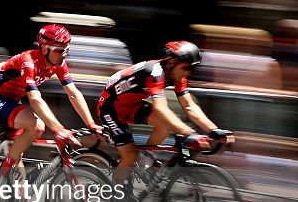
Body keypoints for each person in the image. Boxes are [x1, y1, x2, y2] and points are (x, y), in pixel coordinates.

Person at [96, 40, 235, 187]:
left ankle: (144, 159)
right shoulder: (154, 72)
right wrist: (189, 133)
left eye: (193, 69)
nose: (189, 72)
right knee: (130, 156)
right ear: (171, 63)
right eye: (187, 67)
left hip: (131, 105)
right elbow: (161, 109)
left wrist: (213, 130)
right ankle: (112, 199)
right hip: (110, 108)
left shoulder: (177, 75)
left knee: (164, 125)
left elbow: (189, 106)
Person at [0, 24, 102, 178]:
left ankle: (13, 166)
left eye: (66, 50)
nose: (63, 55)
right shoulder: (28, 61)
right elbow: (35, 100)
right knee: (32, 123)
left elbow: (73, 93)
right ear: (44, 49)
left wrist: (90, 123)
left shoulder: (59, 64)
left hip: (12, 99)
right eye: (59, 50)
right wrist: (59, 130)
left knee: (38, 128)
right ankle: (2, 172)